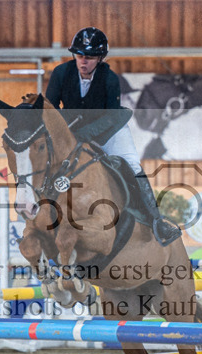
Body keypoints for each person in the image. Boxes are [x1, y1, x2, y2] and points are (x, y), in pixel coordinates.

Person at [45, 26, 181, 246]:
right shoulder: (61, 73)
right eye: (79, 55)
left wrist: (85, 134)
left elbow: (110, 117)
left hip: (110, 131)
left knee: (132, 165)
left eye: (89, 57)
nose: (83, 61)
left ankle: (157, 222)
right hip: (73, 131)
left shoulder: (109, 78)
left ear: (100, 58)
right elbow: (49, 107)